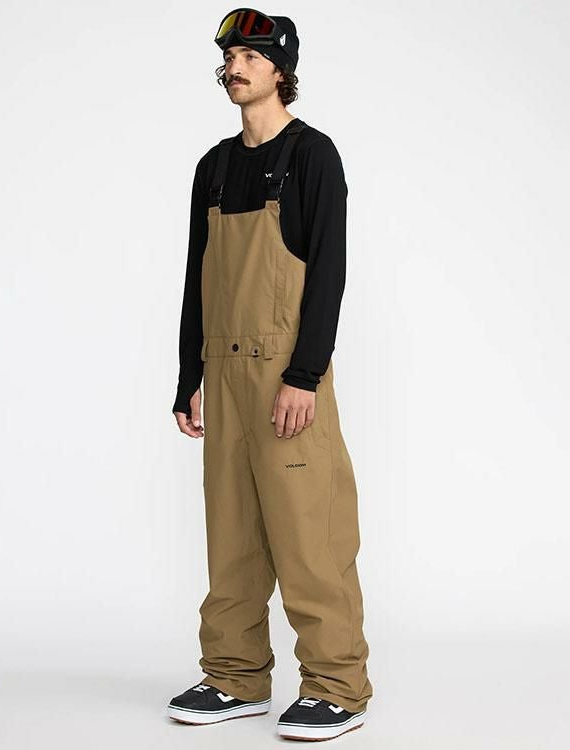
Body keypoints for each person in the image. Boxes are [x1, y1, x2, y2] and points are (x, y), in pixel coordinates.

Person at [166, 8, 373, 742]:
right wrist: (189, 376)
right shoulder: (214, 167)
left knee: (310, 535)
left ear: (281, 70)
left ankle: (338, 685)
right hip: (222, 373)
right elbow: (197, 277)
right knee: (232, 538)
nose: (234, 66)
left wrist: (305, 375)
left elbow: (329, 273)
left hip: (286, 374)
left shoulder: (313, 156)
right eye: (229, 56)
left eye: (250, 57)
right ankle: (235, 676)